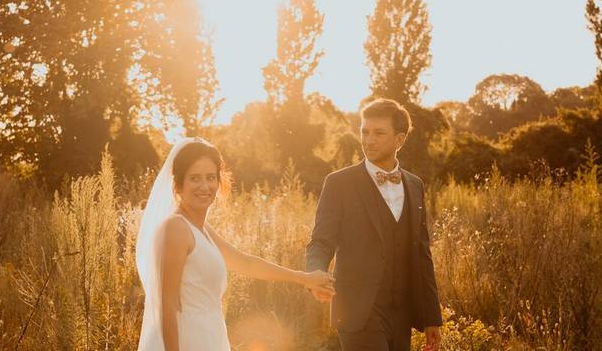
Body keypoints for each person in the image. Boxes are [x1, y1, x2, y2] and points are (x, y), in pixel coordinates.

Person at [136, 137, 335, 351]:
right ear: (178, 184)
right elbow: (167, 305)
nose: (205, 186)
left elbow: (246, 263)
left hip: (210, 336)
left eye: (211, 177)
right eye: (194, 178)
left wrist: (304, 278)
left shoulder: (200, 229)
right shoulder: (176, 228)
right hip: (187, 339)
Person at [306, 98, 443, 351]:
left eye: (379, 133)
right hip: (358, 312)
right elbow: (321, 240)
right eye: (364, 132)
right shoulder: (339, 183)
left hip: (402, 315)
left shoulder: (415, 186)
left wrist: (432, 318)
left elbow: (422, 255)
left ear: (399, 139)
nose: (368, 140)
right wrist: (316, 271)